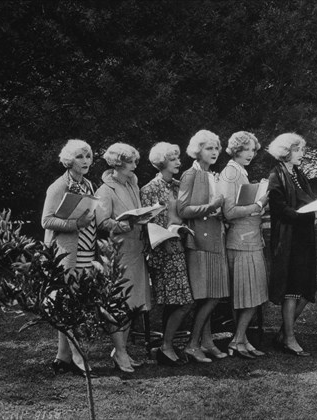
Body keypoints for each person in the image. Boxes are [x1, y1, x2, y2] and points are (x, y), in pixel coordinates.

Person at [42, 139, 98, 376]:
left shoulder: (88, 184)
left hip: (86, 251)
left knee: (74, 303)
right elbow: (46, 221)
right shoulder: (58, 186)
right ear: (68, 160)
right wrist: (76, 223)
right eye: (79, 157)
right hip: (66, 254)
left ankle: (62, 356)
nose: (85, 161)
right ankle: (76, 357)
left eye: (87, 156)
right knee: (67, 303)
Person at [95, 142, 152, 373]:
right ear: (118, 164)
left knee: (133, 302)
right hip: (118, 253)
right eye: (131, 163)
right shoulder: (105, 190)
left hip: (136, 250)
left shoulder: (132, 185)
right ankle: (119, 351)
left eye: (136, 162)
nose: (135, 167)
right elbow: (101, 222)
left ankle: (122, 350)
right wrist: (125, 225)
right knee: (119, 302)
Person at [267, 133, 317, 357]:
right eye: (298, 149)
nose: (303, 154)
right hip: (288, 239)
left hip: (304, 237)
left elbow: (306, 201)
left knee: (306, 288)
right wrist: (309, 215)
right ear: (286, 151)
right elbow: (281, 210)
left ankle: (284, 333)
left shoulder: (298, 173)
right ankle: (289, 337)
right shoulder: (276, 175)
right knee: (292, 289)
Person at [176, 129, 229, 363]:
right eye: (209, 148)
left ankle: (207, 342)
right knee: (208, 296)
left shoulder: (212, 175)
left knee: (214, 293)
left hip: (216, 237)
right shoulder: (190, 175)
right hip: (199, 240)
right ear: (198, 151)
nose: (214, 152)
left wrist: (221, 210)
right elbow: (183, 210)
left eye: (216, 148)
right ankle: (192, 344)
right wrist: (211, 206)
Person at [140, 142, 194, 367]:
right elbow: (147, 223)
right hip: (164, 251)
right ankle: (166, 346)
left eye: (178, 158)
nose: (179, 162)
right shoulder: (149, 189)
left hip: (180, 247)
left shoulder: (178, 185)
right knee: (182, 302)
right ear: (162, 161)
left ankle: (167, 345)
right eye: (173, 159)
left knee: (177, 301)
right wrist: (168, 236)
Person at [217, 131, 269, 359]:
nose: (251, 154)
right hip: (241, 242)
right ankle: (237, 340)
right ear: (236, 149)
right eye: (246, 149)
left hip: (248, 239)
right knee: (251, 293)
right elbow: (229, 212)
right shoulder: (230, 173)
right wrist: (259, 203)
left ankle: (242, 339)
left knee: (248, 294)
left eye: (253, 150)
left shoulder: (239, 172)